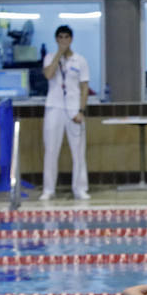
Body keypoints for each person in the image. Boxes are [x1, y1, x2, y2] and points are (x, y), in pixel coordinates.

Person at [40, 25, 90, 201]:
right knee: (51, 150)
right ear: (56, 40)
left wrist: (81, 110)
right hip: (54, 108)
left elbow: (84, 88)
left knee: (78, 151)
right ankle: (48, 189)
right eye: (60, 37)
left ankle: (80, 188)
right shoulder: (49, 57)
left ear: (71, 39)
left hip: (74, 109)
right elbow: (48, 75)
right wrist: (58, 55)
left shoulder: (80, 60)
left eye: (66, 37)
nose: (63, 40)